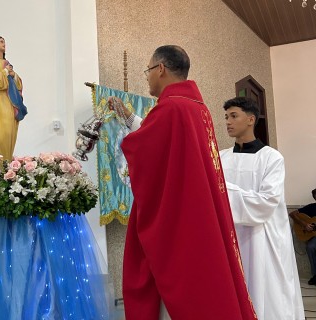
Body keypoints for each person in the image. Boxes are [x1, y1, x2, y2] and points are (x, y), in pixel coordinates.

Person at [110, 45, 257, 319]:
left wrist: (126, 143)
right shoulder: (196, 107)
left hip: (180, 217)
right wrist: (130, 119)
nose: (148, 77)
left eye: (148, 70)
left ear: (161, 69)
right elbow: (164, 144)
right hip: (199, 208)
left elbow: (146, 152)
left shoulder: (171, 107)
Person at [219, 97, 304, 319]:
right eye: (226, 117)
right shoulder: (220, 158)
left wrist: (221, 189)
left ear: (250, 119)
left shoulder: (271, 158)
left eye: (233, 116)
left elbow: (265, 203)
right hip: (231, 238)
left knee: (265, 297)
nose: (227, 122)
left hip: (263, 240)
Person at [289, 188, 316, 286]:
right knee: (311, 247)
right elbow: (292, 214)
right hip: (314, 237)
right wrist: (304, 224)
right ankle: (315, 275)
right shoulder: (311, 207)